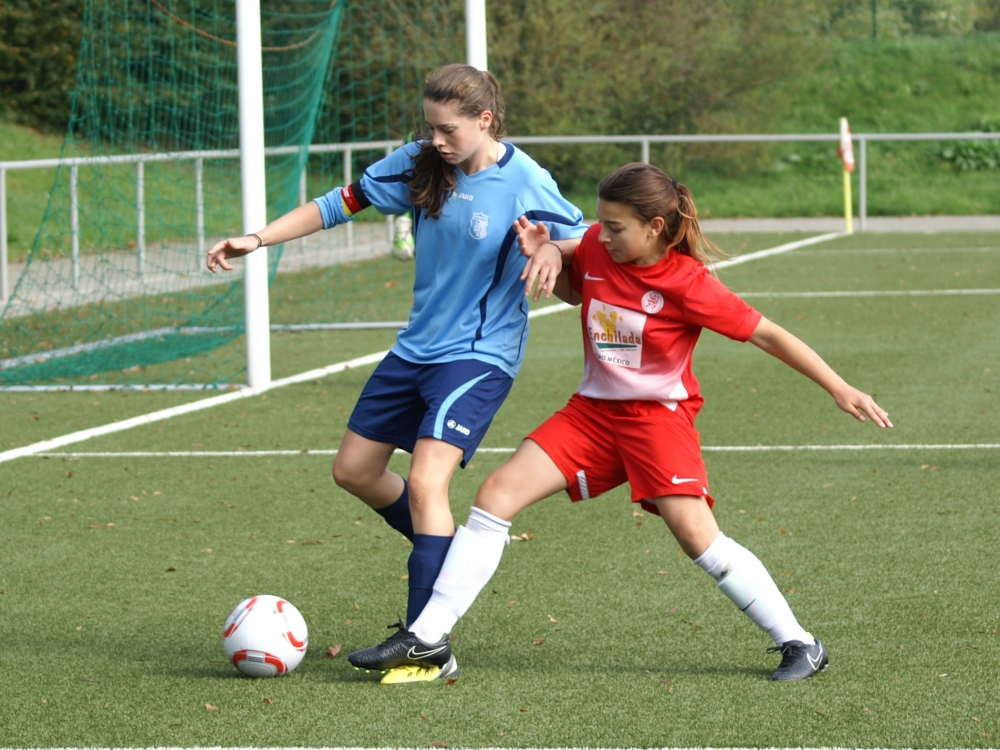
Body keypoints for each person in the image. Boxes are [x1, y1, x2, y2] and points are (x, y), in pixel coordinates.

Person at [349, 162, 893, 684]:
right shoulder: (595, 245)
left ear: (656, 227)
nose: (601, 236)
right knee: (495, 496)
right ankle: (430, 635)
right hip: (591, 414)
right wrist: (544, 251)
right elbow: (576, 277)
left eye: (615, 227)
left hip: (658, 421)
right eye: (599, 224)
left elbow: (769, 334)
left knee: (697, 537)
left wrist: (839, 387)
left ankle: (800, 642)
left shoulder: (689, 282)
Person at [205, 64, 588, 682]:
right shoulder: (420, 162)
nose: (435, 139)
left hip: (478, 355)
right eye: (430, 126)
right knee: (353, 470)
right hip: (415, 349)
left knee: (425, 482)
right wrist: (258, 239)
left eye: (448, 128)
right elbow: (339, 203)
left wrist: (551, 247)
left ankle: (425, 642)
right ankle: (449, 559)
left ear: (484, 120)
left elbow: (586, 239)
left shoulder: (525, 180)